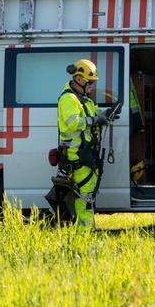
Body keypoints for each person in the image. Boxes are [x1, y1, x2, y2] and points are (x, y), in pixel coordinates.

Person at [57, 59, 111, 227]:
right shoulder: (69, 99)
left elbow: (94, 113)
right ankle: (84, 232)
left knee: (88, 195)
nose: (93, 86)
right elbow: (73, 122)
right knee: (85, 197)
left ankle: (87, 228)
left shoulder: (85, 99)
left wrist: (106, 114)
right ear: (80, 80)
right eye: (91, 82)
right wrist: (95, 119)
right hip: (77, 155)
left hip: (86, 152)